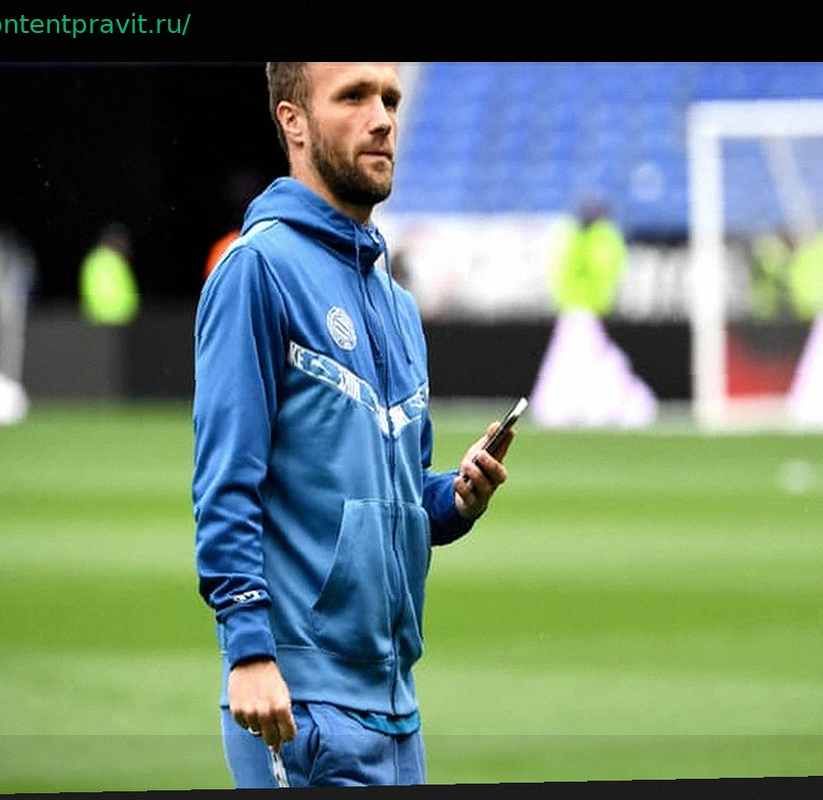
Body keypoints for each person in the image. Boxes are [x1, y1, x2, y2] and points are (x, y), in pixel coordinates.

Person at [192, 62, 514, 788]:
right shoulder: (256, 270)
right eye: (354, 97)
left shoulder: (397, 304)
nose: (382, 118)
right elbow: (225, 482)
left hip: (397, 710)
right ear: (293, 122)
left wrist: (453, 498)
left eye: (391, 98)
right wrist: (249, 652)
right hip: (299, 707)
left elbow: (396, 497)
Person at [79, 222, 139, 325]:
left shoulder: (96, 259)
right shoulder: (109, 261)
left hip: (103, 319)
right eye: (122, 241)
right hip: (112, 320)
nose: (126, 246)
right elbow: (107, 292)